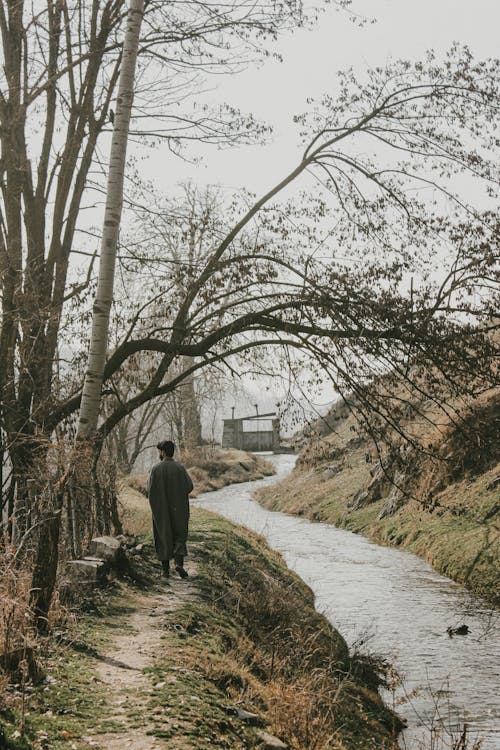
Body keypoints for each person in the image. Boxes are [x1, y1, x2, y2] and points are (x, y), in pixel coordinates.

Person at [147, 440, 193, 578]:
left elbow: (149, 490)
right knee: (179, 535)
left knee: (163, 536)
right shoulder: (180, 468)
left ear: (163, 452)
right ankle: (179, 564)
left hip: (161, 510)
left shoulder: (155, 469)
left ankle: (165, 571)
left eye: (159, 451)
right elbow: (189, 487)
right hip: (179, 508)